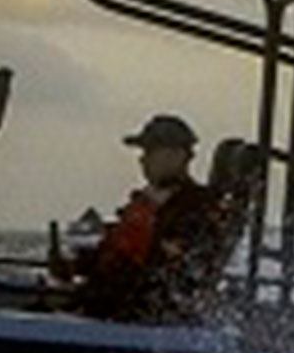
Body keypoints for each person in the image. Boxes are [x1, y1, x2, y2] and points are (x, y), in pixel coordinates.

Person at [60, 112, 220, 322]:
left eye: (150, 151)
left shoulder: (196, 208)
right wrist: (76, 265)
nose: (142, 159)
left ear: (177, 155)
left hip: (131, 318)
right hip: (103, 307)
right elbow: (117, 252)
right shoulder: (147, 202)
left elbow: (166, 270)